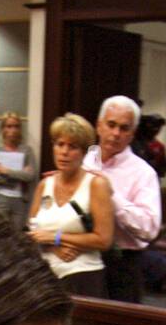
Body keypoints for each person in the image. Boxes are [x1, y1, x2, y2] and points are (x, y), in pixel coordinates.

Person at [81, 95, 161, 302]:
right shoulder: (83, 161)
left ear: (132, 134)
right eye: (111, 125)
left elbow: (149, 228)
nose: (116, 133)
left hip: (122, 266)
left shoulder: (143, 173)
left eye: (124, 128)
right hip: (82, 260)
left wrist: (109, 195)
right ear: (99, 126)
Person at [29, 113, 114, 297]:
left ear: (84, 152)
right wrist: (53, 246)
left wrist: (56, 236)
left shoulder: (96, 185)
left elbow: (104, 239)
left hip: (82, 274)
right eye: (60, 144)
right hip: (45, 275)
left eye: (72, 146)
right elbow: (33, 233)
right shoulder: (44, 184)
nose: (64, 152)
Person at [0, 111, 37, 231]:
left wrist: (4, 170)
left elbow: (30, 176)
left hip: (20, 200)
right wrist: (19, 174)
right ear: (2, 128)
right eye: (9, 126)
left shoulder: (27, 150)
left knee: (17, 237)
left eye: (16, 126)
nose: (13, 130)